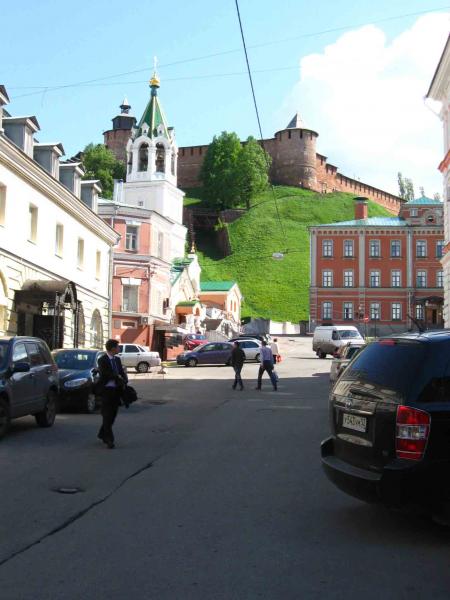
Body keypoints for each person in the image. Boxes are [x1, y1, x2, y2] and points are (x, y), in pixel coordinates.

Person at [97, 339, 128, 449]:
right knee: (107, 414)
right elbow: (105, 374)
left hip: (116, 391)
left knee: (113, 414)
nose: (119, 349)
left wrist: (124, 379)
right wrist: (116, 377)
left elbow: (121, 372)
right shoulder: (102, 360)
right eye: (118, 347)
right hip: (106, 390)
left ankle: (102, 433)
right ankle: (109, 439)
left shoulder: (117, 360)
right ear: (112, 348)